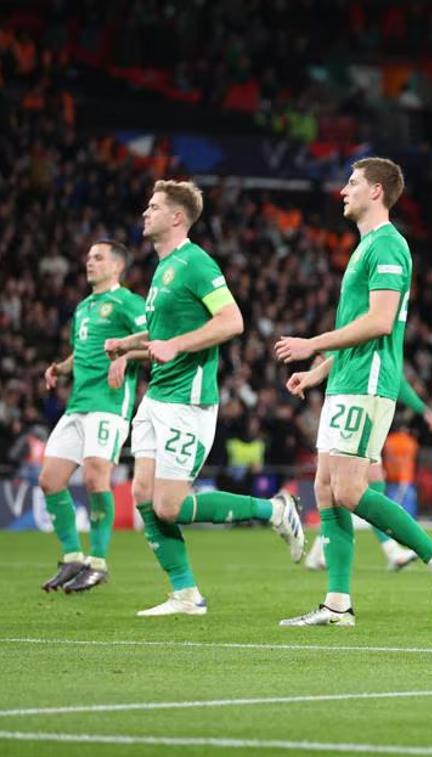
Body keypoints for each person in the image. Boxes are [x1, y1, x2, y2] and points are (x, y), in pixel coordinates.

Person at [276, 157, 432, 628]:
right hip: (346, 379)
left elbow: (380, 323)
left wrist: (312, 344)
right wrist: (320, 371)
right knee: (326, 486)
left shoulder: (387, 245)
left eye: (353, 182)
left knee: (348, 488)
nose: (344, 190)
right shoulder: (365, 246)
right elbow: (357, 328)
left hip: (368, 382)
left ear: (377, 191)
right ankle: (338, 604)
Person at [106, 180, 305, 617]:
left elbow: (232, 321)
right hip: (157, 396)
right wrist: (131, 343)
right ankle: (185, 594)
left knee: (169, 505)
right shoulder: (163, 268)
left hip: (188, 400)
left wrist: (175, 347)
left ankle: (272, 510)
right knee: (142, 492)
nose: (145, 212)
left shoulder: (196, 263)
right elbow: (164, 335)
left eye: (154, 206)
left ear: (177, 217)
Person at [38, 240, 146, 593]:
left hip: (109, 404)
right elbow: (81, 352)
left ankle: (97, 562)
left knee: (96, 478)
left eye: (98, 258)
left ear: (117, 266)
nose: (89, 263)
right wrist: (59, 368)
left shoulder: (128, 303)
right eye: (87, 258)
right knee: (50, 480)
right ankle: (72, 557)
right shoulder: (84, 307)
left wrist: (125, 356)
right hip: (78, 404)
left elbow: (157, 342)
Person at [304, 395, 432, 571]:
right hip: (356, 408)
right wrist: (423, 409)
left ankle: (321, 553)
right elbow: (397, 380)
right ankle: (394, 551)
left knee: (351, 489)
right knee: (343, 489)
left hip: (369, 411)